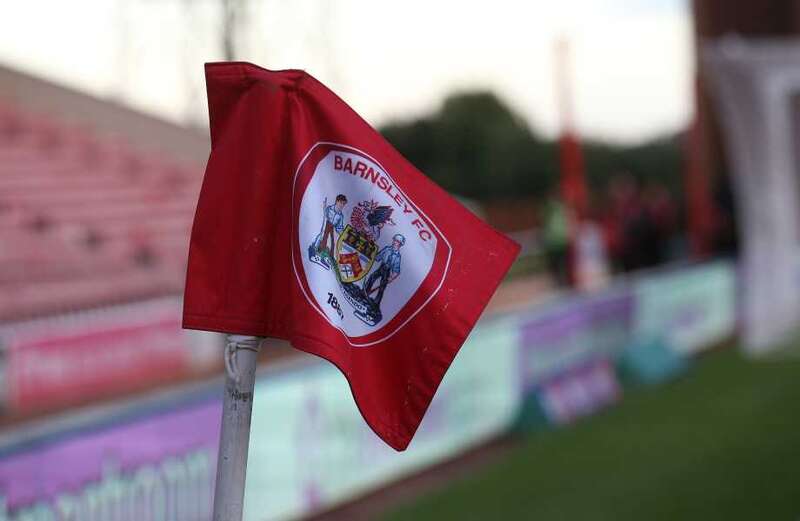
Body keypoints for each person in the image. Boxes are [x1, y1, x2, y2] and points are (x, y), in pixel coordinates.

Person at [363, 234, 404, 306]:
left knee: (382, 287)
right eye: (394, 240)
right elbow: (378, 256)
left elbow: (396, 270)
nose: (394, 242)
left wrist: (391, 278)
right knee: (372, 277)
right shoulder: (387, 249)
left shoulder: (398, 257)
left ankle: (376, 303)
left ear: (400, 244)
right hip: (381, 267)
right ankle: (364, 292)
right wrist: (371, 256)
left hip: (387, 271)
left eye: (397, 241)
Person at [309, 194, 347, 268]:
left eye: (343, 204)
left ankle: (330, 257)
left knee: (333, 241)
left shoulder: (340, 216)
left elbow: (339, 227)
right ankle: (315, 251)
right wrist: (324, 208)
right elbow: (324, 214)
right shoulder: (330, 208)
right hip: (327, 223)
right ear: (337, 201)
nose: (342, 205)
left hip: (332, 226)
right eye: (341, 203)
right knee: (323, 236)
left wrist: (342, 234)